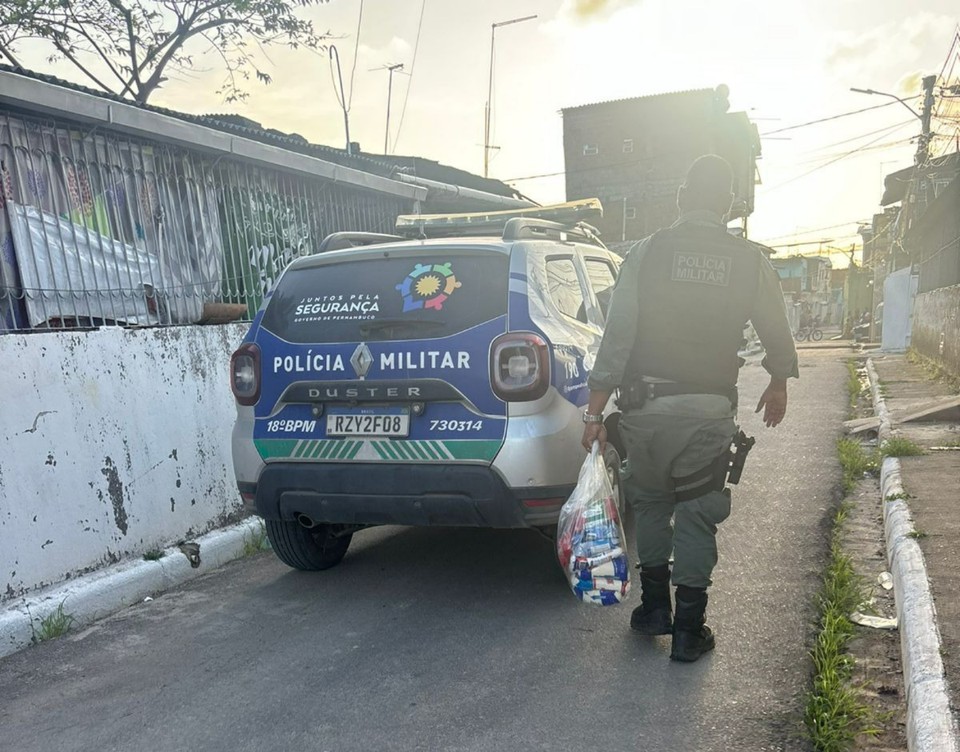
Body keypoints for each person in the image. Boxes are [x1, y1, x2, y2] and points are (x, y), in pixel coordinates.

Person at [580, 155, 798, 662]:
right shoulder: (748, 260)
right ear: (727, 205)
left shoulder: (646, 253)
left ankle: (653, 609)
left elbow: (617, 337)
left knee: (653, 504)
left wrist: (594, 413)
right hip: (707, 412)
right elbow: (775, 326)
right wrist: (779, 379)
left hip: (644, 412)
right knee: (697, 513)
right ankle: (688, 630)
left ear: (681, 198)